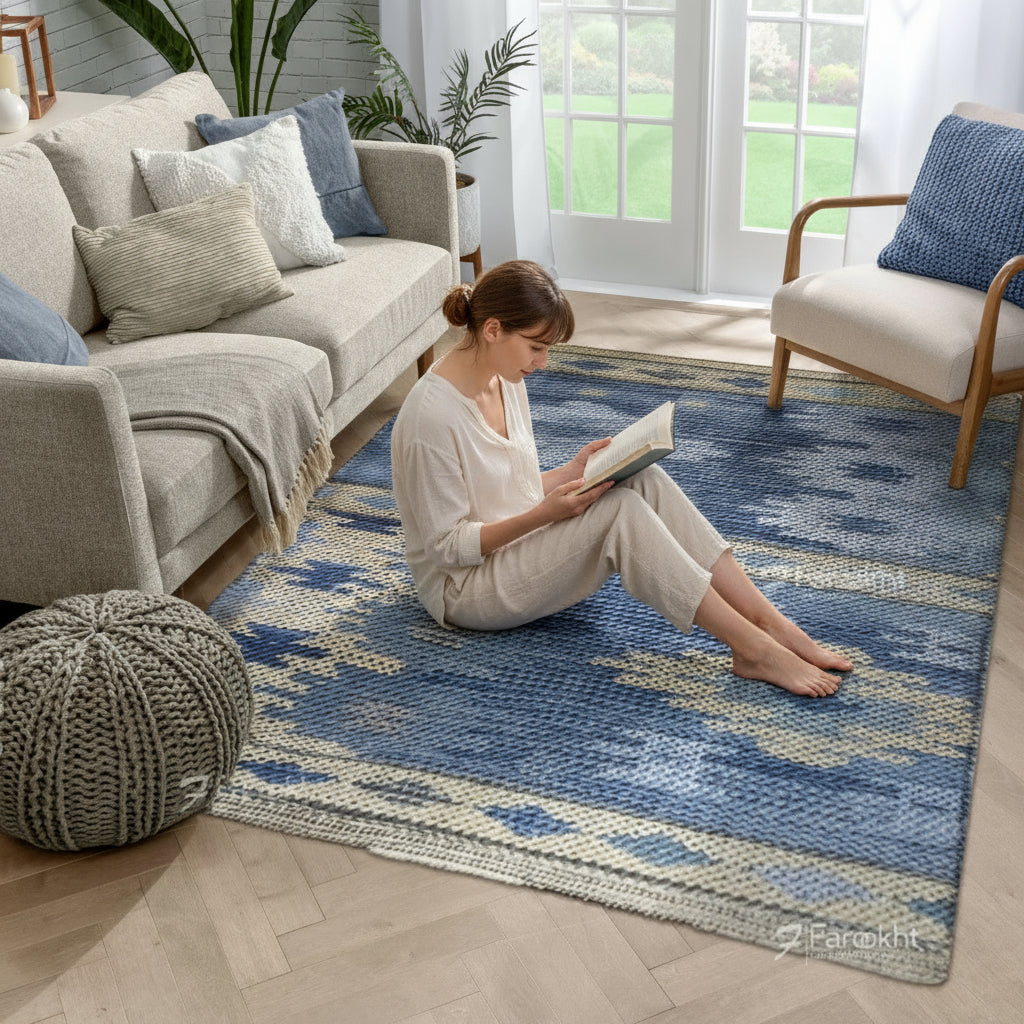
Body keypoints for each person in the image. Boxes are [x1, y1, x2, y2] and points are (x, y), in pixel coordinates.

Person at [391, 261, 852, 698]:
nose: (543, 362)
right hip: (464, 590)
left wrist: (570, 475)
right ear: (493, 329)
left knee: (641, 479)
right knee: (620, 513)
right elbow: (446, 547)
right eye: (536, 346)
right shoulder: (431, 419)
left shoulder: (504, 377)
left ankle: (769, 622)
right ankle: (754, 651)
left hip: (510, 550)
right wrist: (543, 515)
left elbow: (504, 488)